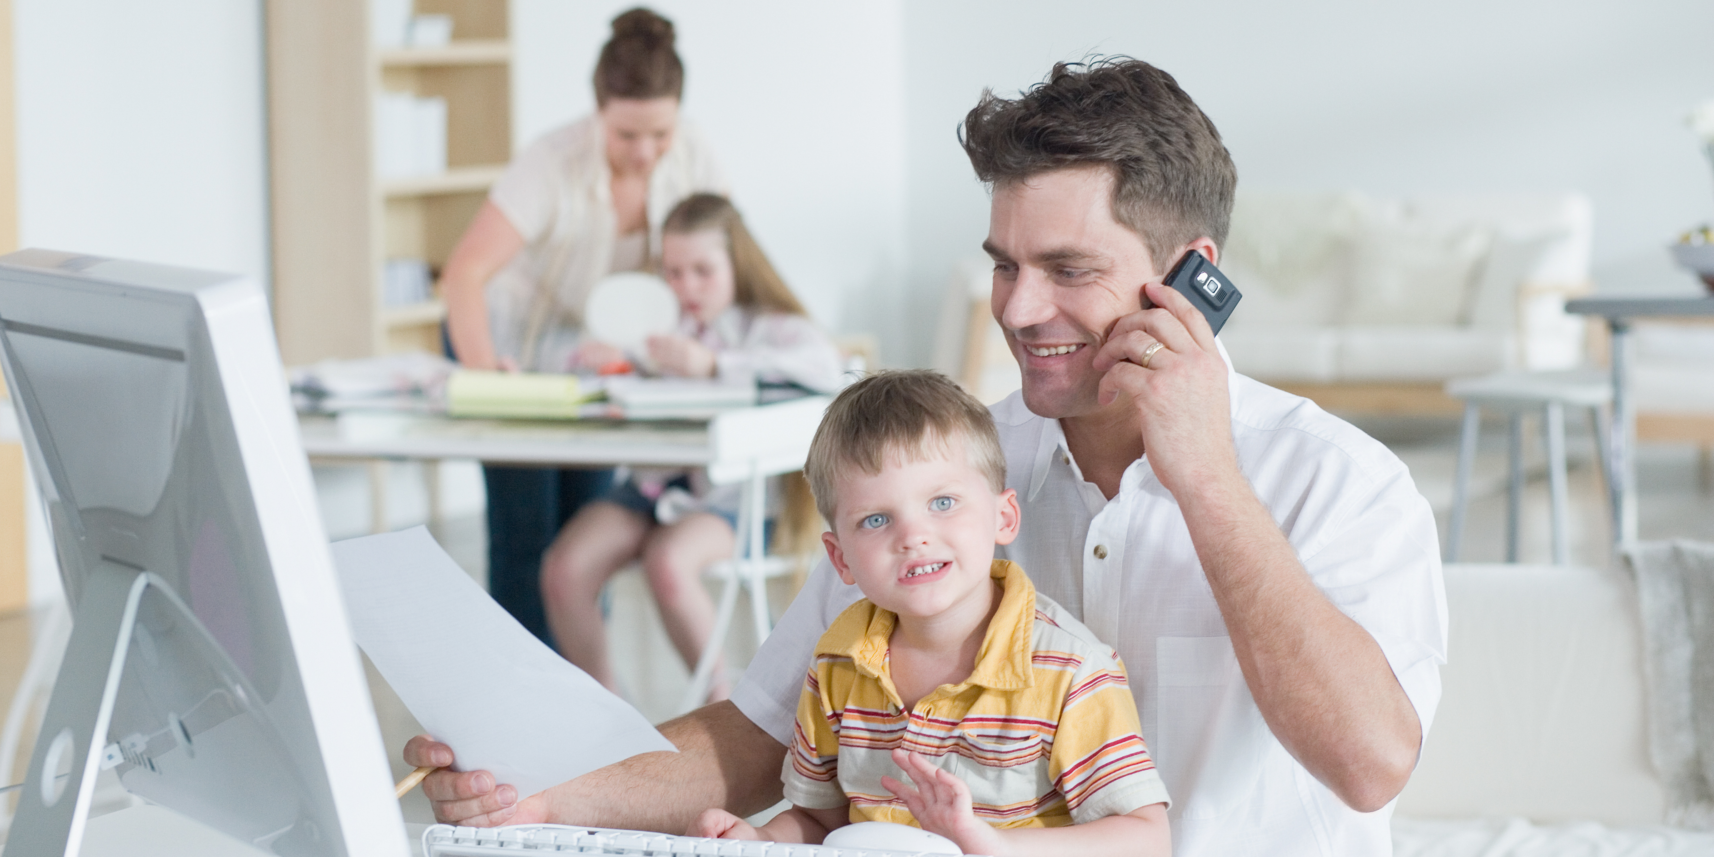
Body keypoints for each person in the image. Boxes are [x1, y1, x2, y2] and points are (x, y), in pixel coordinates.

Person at [405, 58, 1448, 857]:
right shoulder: (951, 479)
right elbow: (756, 735)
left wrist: (1207, 475)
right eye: (1004, 267)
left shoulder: (1340, 483)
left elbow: (1368, 766)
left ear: (1190, 278)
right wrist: (541, 796)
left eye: (1068, 269)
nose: (1019, 310)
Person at [688, 370, 1170, 857]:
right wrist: (759, 839)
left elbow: (1145, 840)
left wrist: (988, 844)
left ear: (1003, 517)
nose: (912, 536)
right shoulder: (837, 663)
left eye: (942, 502)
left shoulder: (1072, 672)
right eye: (876, 520)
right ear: (841, 559)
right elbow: (820, 820)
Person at [440, 7, 730, 644]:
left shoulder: (693, 152)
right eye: (627, 135)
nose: (646, 152)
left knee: (581, 541)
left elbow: (723, 263)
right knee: (526, 536)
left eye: (659, 132)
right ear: (598, 110)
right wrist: (491, 378)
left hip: (592, 358)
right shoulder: (550, 163)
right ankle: (520, 712)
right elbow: (462, 276)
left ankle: (584, 707)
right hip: (504, 345)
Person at [541, 193, 843, 702]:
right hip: (650, 488)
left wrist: (714, 366)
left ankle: (723, 706)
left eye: (702, 271)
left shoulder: (773, 329)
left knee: (669, 562)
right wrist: (610, 363)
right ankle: (606, 710)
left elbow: (824, 369)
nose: (687, 288)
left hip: (730, 501)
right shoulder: (658, 327)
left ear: (736, 264)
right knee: (563, 570)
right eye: (674, 273)